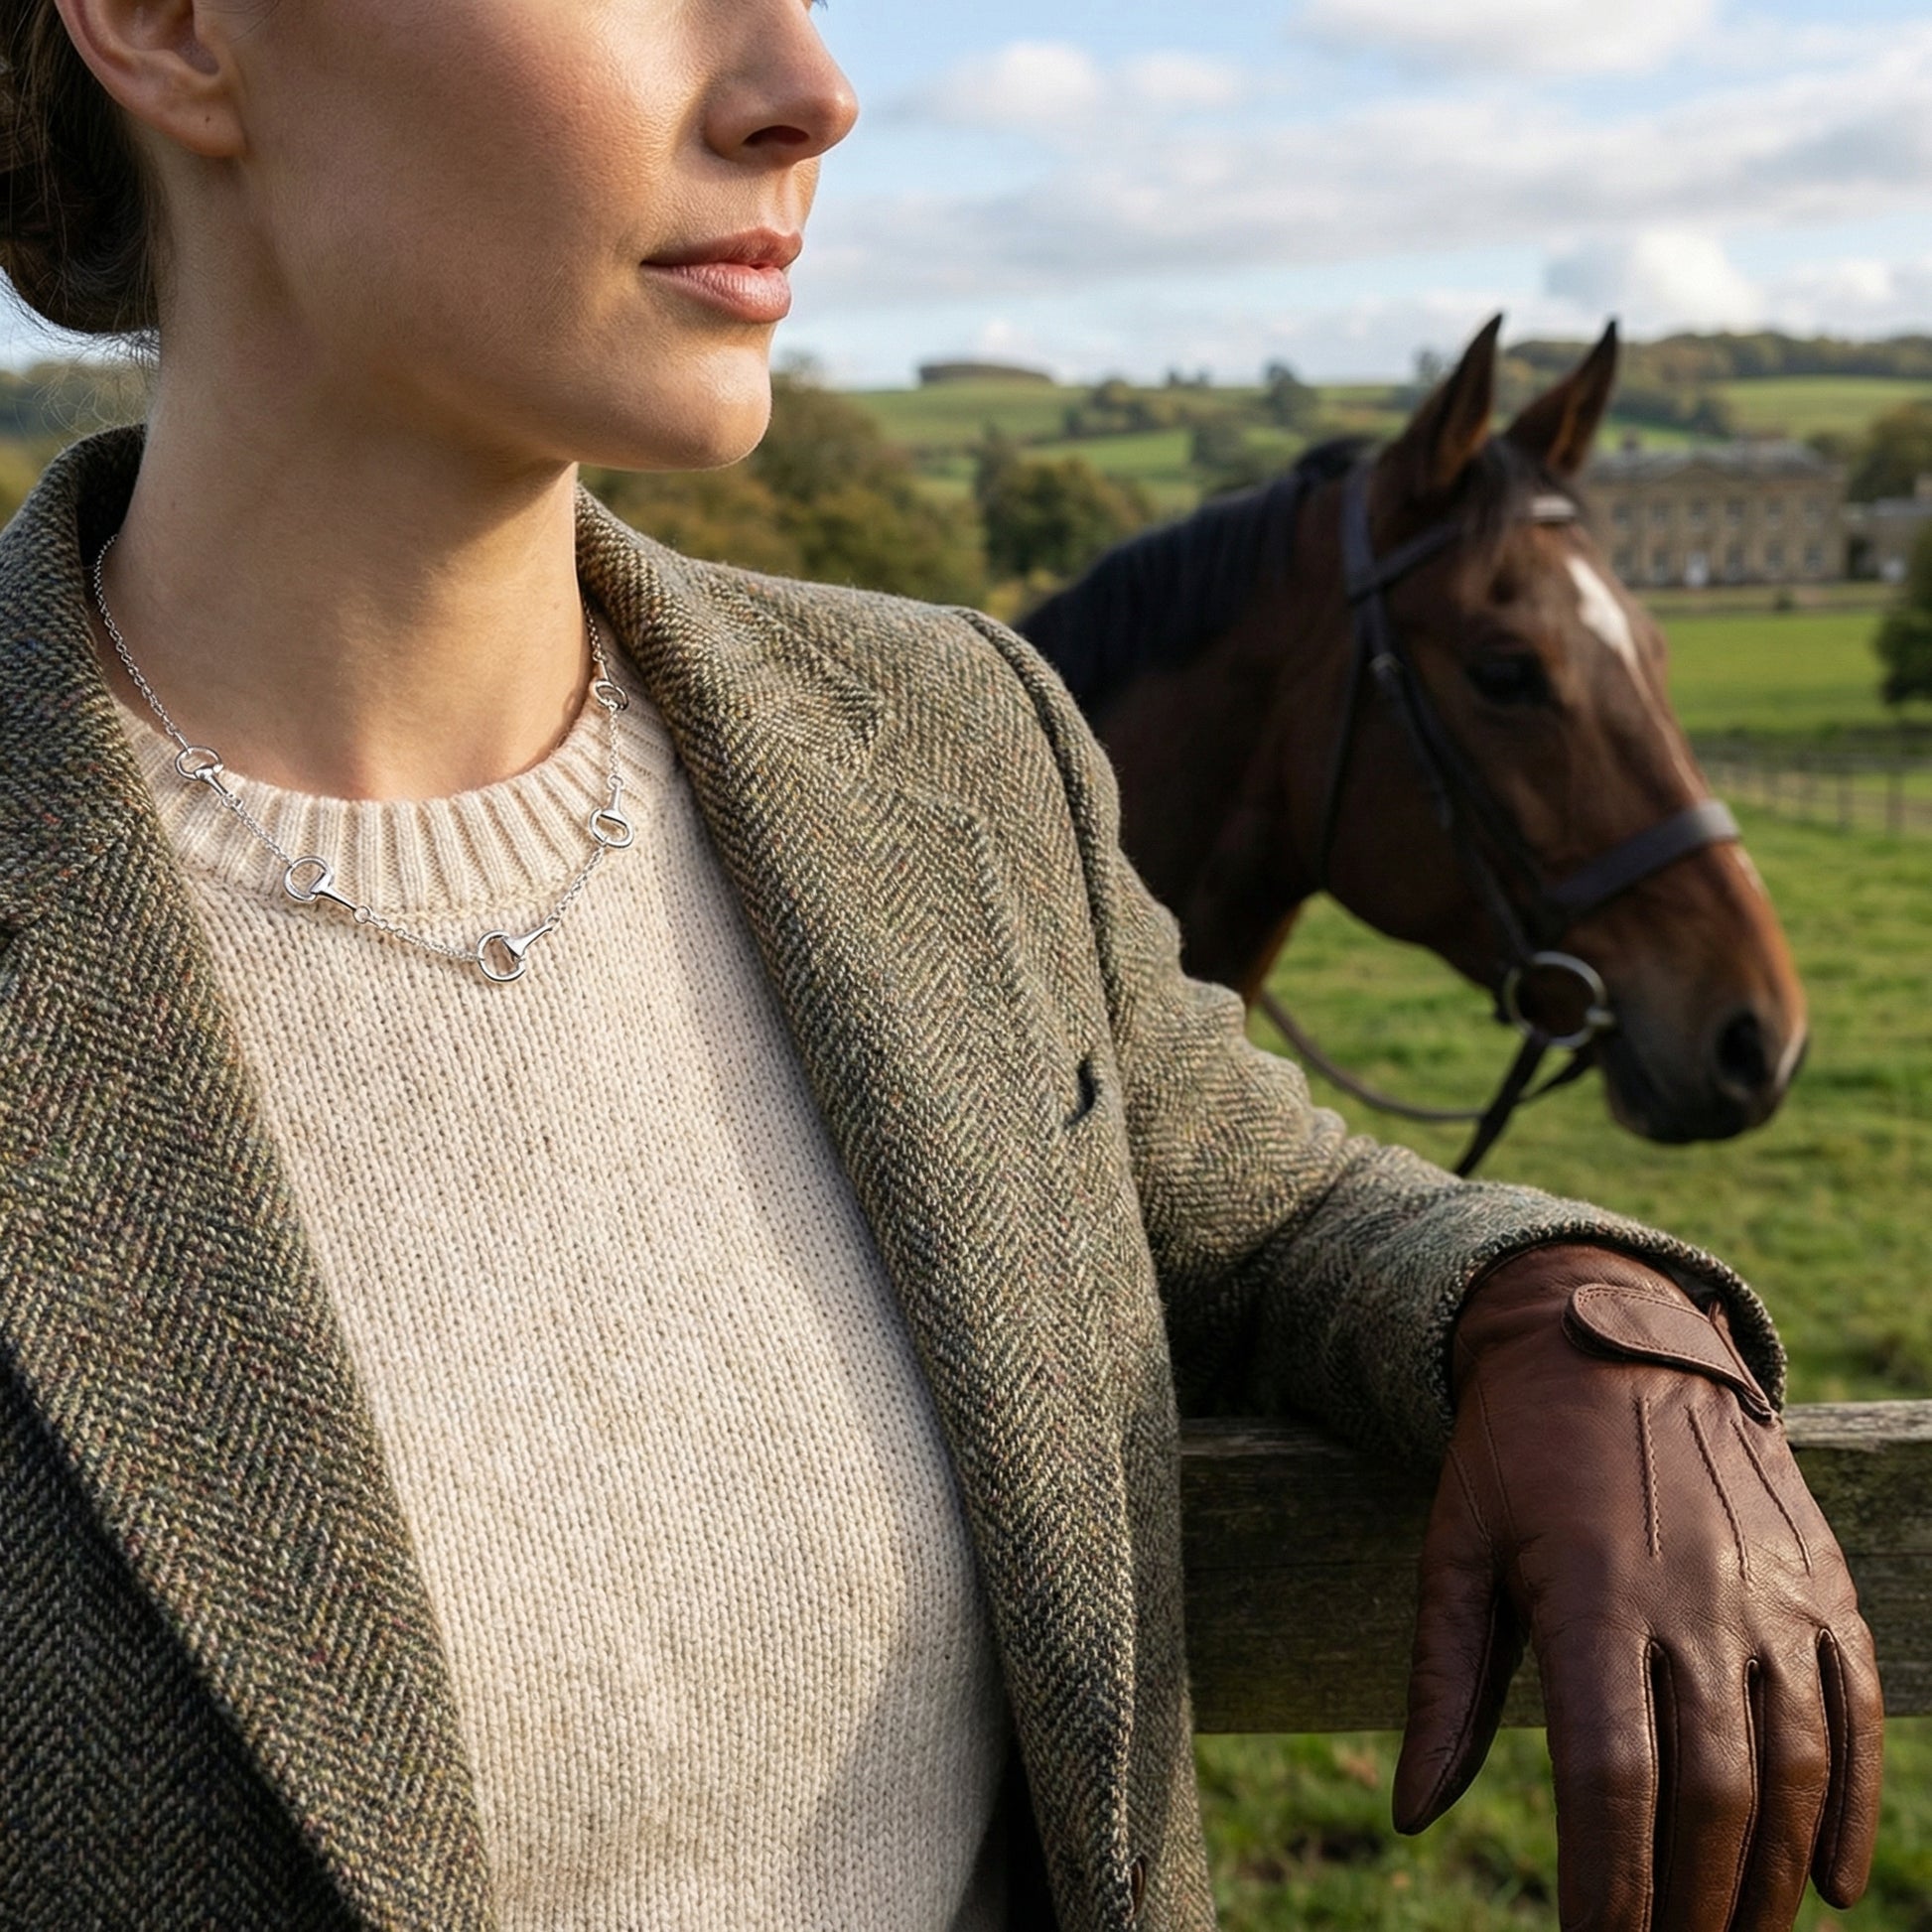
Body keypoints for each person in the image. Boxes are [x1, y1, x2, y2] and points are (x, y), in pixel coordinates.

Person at [0, 2, 1880, 1928]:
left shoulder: (946, 742)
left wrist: (1584, 1327)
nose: (810, 88)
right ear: (169, 28)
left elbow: (1264, 1216)